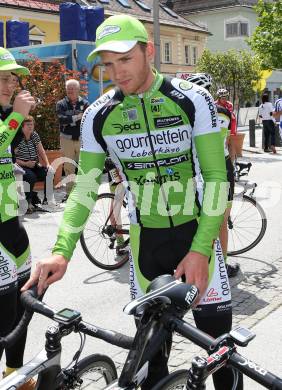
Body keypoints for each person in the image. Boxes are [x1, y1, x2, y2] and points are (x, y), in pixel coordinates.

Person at [23, 15, 241, 390]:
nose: (116, 72)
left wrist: (202, 250)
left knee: (220, 353)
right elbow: (85, 188)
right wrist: (62, 251)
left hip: (196, 237)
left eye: (125, 59)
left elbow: (218, 179)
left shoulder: (192, 99)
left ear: (149, 51)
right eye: (108, 63)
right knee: (151, 364)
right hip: (146, 246)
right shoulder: (98, 114)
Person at [0, 47, 36, 389]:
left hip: (12, 223)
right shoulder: (7, 119)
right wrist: (15, 118)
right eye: (3, 77)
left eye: (12, 77)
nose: (10, 84)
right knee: (2, 314)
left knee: (25, 301)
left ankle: (16, 374)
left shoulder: (4, 114)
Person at [186, 74, 239, 278]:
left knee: (197, 219)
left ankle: (204, 264)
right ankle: (221, 266)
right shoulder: (224, 112)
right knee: (220, 222)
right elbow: (227, 140)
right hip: (220, 167)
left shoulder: (188, 112)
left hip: (197, 169)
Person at [56, 79, 89, 202]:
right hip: (66, 139)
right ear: (66, 90)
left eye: (73, 88)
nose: (71, 91)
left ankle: (83, 192)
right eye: (69, 88)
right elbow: (61, 119)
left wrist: (70, 118)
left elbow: (86, 119)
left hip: (81, 140)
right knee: (69, 167)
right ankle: (70, 193)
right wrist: (77, 117)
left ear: (78, 90)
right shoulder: (61, 104)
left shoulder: (85, 103)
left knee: (83, 166)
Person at [13, 115, 52, 213]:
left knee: (49, 172)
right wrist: (25, 163)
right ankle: (28, 203)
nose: (30, 126)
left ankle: (47, 201)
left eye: (32, 124)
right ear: (22, 126)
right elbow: (12, 157)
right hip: (21, 166)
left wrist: (47, 164)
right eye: (28, 124)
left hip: (34, 164)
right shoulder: (17, 138)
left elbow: (41, 151)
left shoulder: (34, 135)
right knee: (31, 177)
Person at [215, 88, 237, 161]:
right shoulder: (214, 104)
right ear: (219, 98)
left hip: (230, 125)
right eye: (222, 98)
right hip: (219, 127)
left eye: (225, 98)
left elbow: (229, 116)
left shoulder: (229, 104)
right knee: (221, 145)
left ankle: (232, 163)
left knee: (231, 144)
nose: (224, 99)